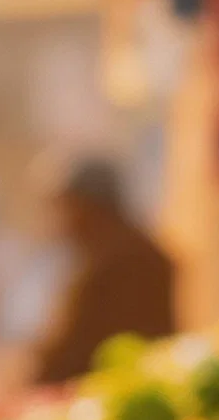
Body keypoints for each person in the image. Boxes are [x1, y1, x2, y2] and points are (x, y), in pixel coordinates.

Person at [29, 153, 176, 386]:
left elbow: (72, 354)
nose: (61, 221)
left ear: (88, 206)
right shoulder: (115, 254)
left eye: (66, 206)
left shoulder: (117, 262)